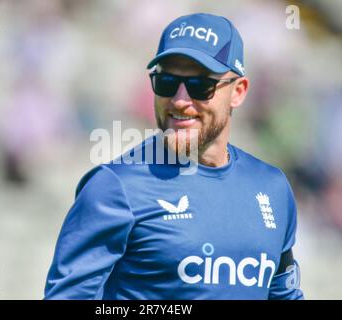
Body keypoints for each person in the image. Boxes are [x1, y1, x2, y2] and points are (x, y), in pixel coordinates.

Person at [44, 13, 304, 300]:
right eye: (167, 82)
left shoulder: (272, 187)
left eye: (200, 85)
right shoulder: (113, 187)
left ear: (238, 92)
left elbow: (284, 295)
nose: (180, 100)